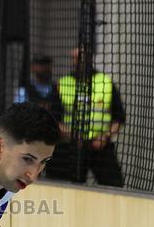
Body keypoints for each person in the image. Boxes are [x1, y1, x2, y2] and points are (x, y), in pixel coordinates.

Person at [47, 47, 126, 187]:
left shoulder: (105, 82)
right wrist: (73, 135)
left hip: (100, 146)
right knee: (62, 184)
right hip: (70, 146)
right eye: (75, 58)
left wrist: (105, 136)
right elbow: (53, 119)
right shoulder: (63, 84)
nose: (77, 62)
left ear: (90, 59)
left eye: (81, 58)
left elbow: (119, 117)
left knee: (113, 186)